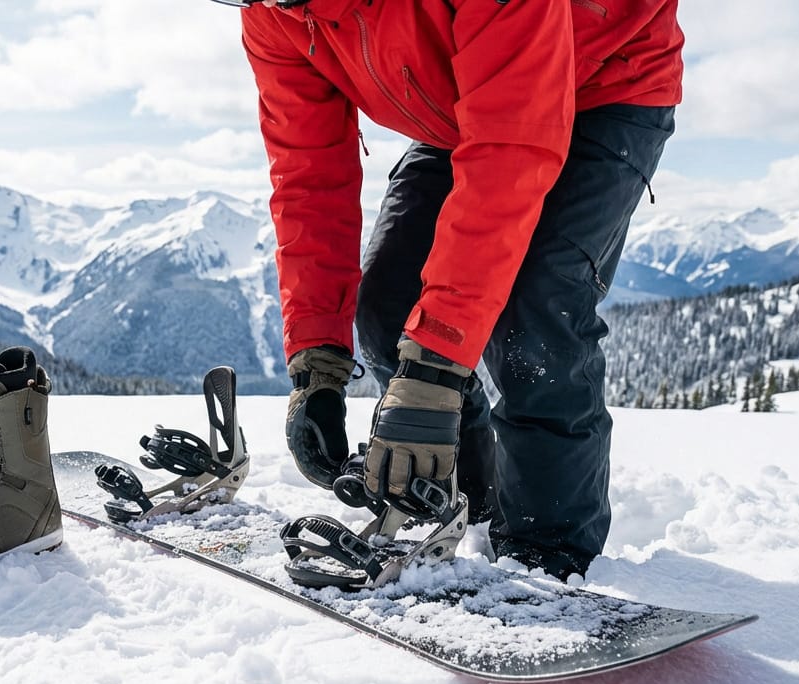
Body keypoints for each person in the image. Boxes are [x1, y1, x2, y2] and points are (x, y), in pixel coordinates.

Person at [217, 0, 683, 580]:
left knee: (536, 308)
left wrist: (434, 373)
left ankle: (549, 555)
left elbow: (512, 147)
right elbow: (309, 179)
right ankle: (468, 506)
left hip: (607, 82)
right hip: (462, 106)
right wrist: (318, 364)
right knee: (392, 306)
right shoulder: (274, 14)